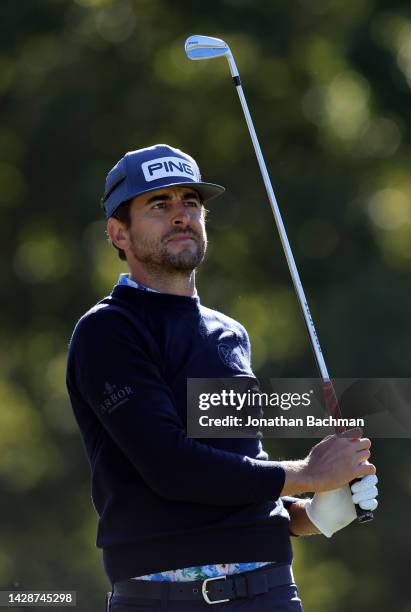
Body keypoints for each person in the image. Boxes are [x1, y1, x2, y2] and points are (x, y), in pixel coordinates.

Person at [66, 144, 378, 612]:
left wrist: (310, 513)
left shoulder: (228, 333)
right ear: (119, 233)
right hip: (164, 600)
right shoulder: (108, 330)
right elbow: (173, 469)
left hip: (271, 594)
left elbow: (232, 469)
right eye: (158, 204)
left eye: (190, 202)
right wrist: (308, 473)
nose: (180, 215)